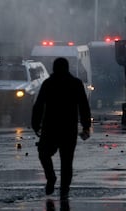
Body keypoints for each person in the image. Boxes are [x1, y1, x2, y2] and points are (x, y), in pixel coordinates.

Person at [32, 57, 91, 197]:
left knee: (44, 153)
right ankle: (64, 189)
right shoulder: (76, 84)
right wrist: (86, 126)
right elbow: (84, 106)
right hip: (69, 128)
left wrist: (35, 124)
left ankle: (51, 177)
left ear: (54, 68)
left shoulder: (48, 83)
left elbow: (38, 105)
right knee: (66, 161)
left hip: (50, 127)